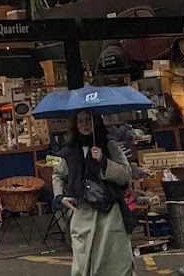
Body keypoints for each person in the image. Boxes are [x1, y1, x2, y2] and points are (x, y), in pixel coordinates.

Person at [51, 110, 133, 276]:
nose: (85, 125)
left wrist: (103, 161)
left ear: (96, 122)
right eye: (81, 121)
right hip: (82, 212)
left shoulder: (109, 146)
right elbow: (58, 175)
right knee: (83, 263)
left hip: (110, 214)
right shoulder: (70, 151)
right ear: (75, 125)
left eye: (89, 120)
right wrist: (60, 197)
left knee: (115, 262)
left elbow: (126, 174)